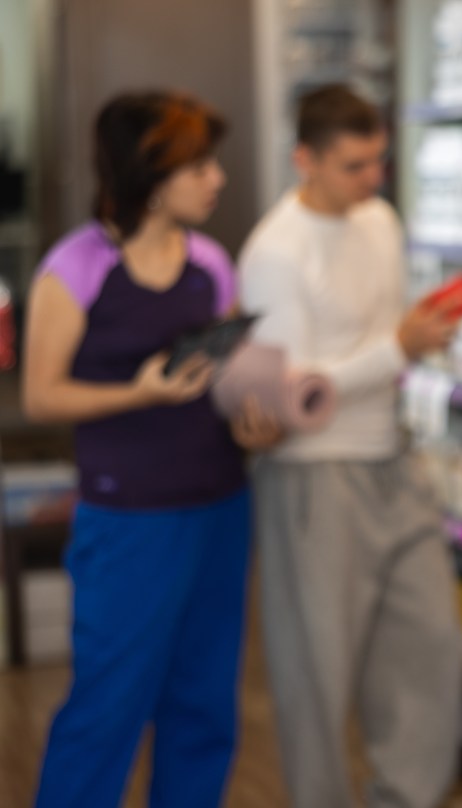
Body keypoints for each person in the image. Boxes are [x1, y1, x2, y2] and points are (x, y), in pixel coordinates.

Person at [22, 91, 279, 808]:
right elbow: (41, 396)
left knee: (204, 709)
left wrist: (255, 420)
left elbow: (221, 377)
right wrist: (140, 392)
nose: (216, 178)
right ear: (149, 173)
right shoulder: (75, 267)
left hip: (221, 505)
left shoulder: (210, 262)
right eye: (197, 165)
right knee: (107, 707)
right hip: (128, 520)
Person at [238, 84, 462, 808]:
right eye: (353, 166)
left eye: (378, 161)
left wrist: (418, 333)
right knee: (317, 675)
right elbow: (291, 398)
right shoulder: (274, 251)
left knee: (430, 646)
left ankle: (408, 797)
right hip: (313, 477)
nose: (372, 179)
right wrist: (397, 349)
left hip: (390, 461)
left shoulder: (381, 221)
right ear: (304, 159)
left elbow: (382, 337)